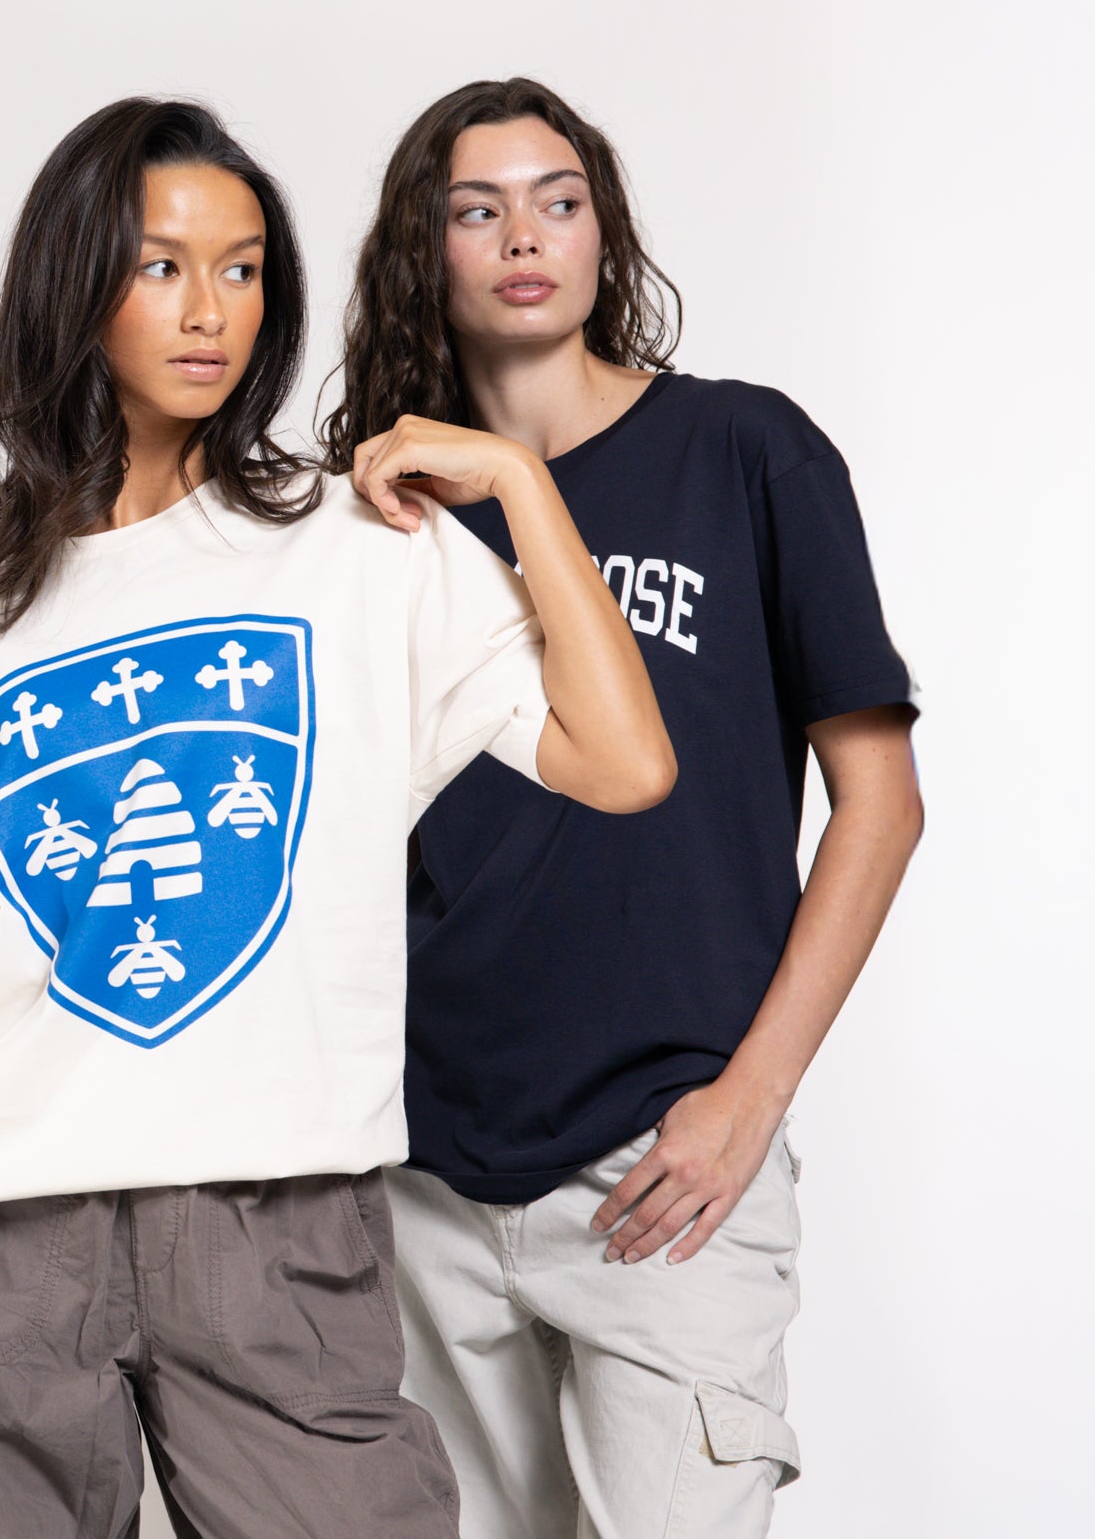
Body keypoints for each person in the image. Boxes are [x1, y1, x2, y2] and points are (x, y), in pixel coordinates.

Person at [0, 97, 679, 1537]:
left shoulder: (359, 551)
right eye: (159, 266)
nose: (209, 309)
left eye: (244, 265)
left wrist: (521, 488)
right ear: (73, 288)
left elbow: (623, 760)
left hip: (276, 1217)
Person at [323, 80, 923, 1539]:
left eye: (559, 199)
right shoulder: (381, 515)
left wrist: (749, 1101)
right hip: (418, 1177)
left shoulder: (744, 452)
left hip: (667, 1169)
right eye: (478, 209)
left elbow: (880, 805)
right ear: (427, 249)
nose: (524, 235)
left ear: (607, 234)